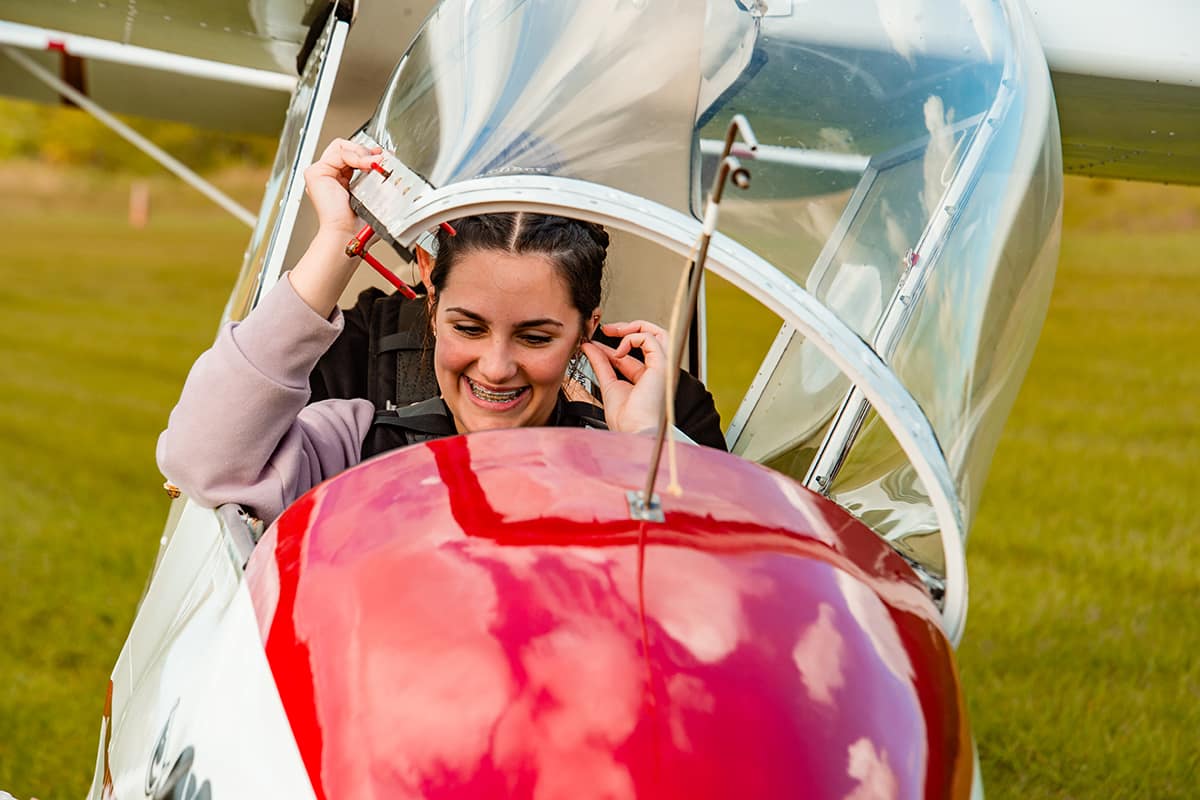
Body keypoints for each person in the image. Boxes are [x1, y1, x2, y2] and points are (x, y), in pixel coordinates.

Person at [157, 139, 695, 525]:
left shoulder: (635, 459)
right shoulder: (357, 446)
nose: (496, 366)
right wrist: (336, 240)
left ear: (586, 332)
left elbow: (709, 586)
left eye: (535, 337)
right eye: (469, 327)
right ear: (432, 304)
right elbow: (203, 461)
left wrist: (644, 444)